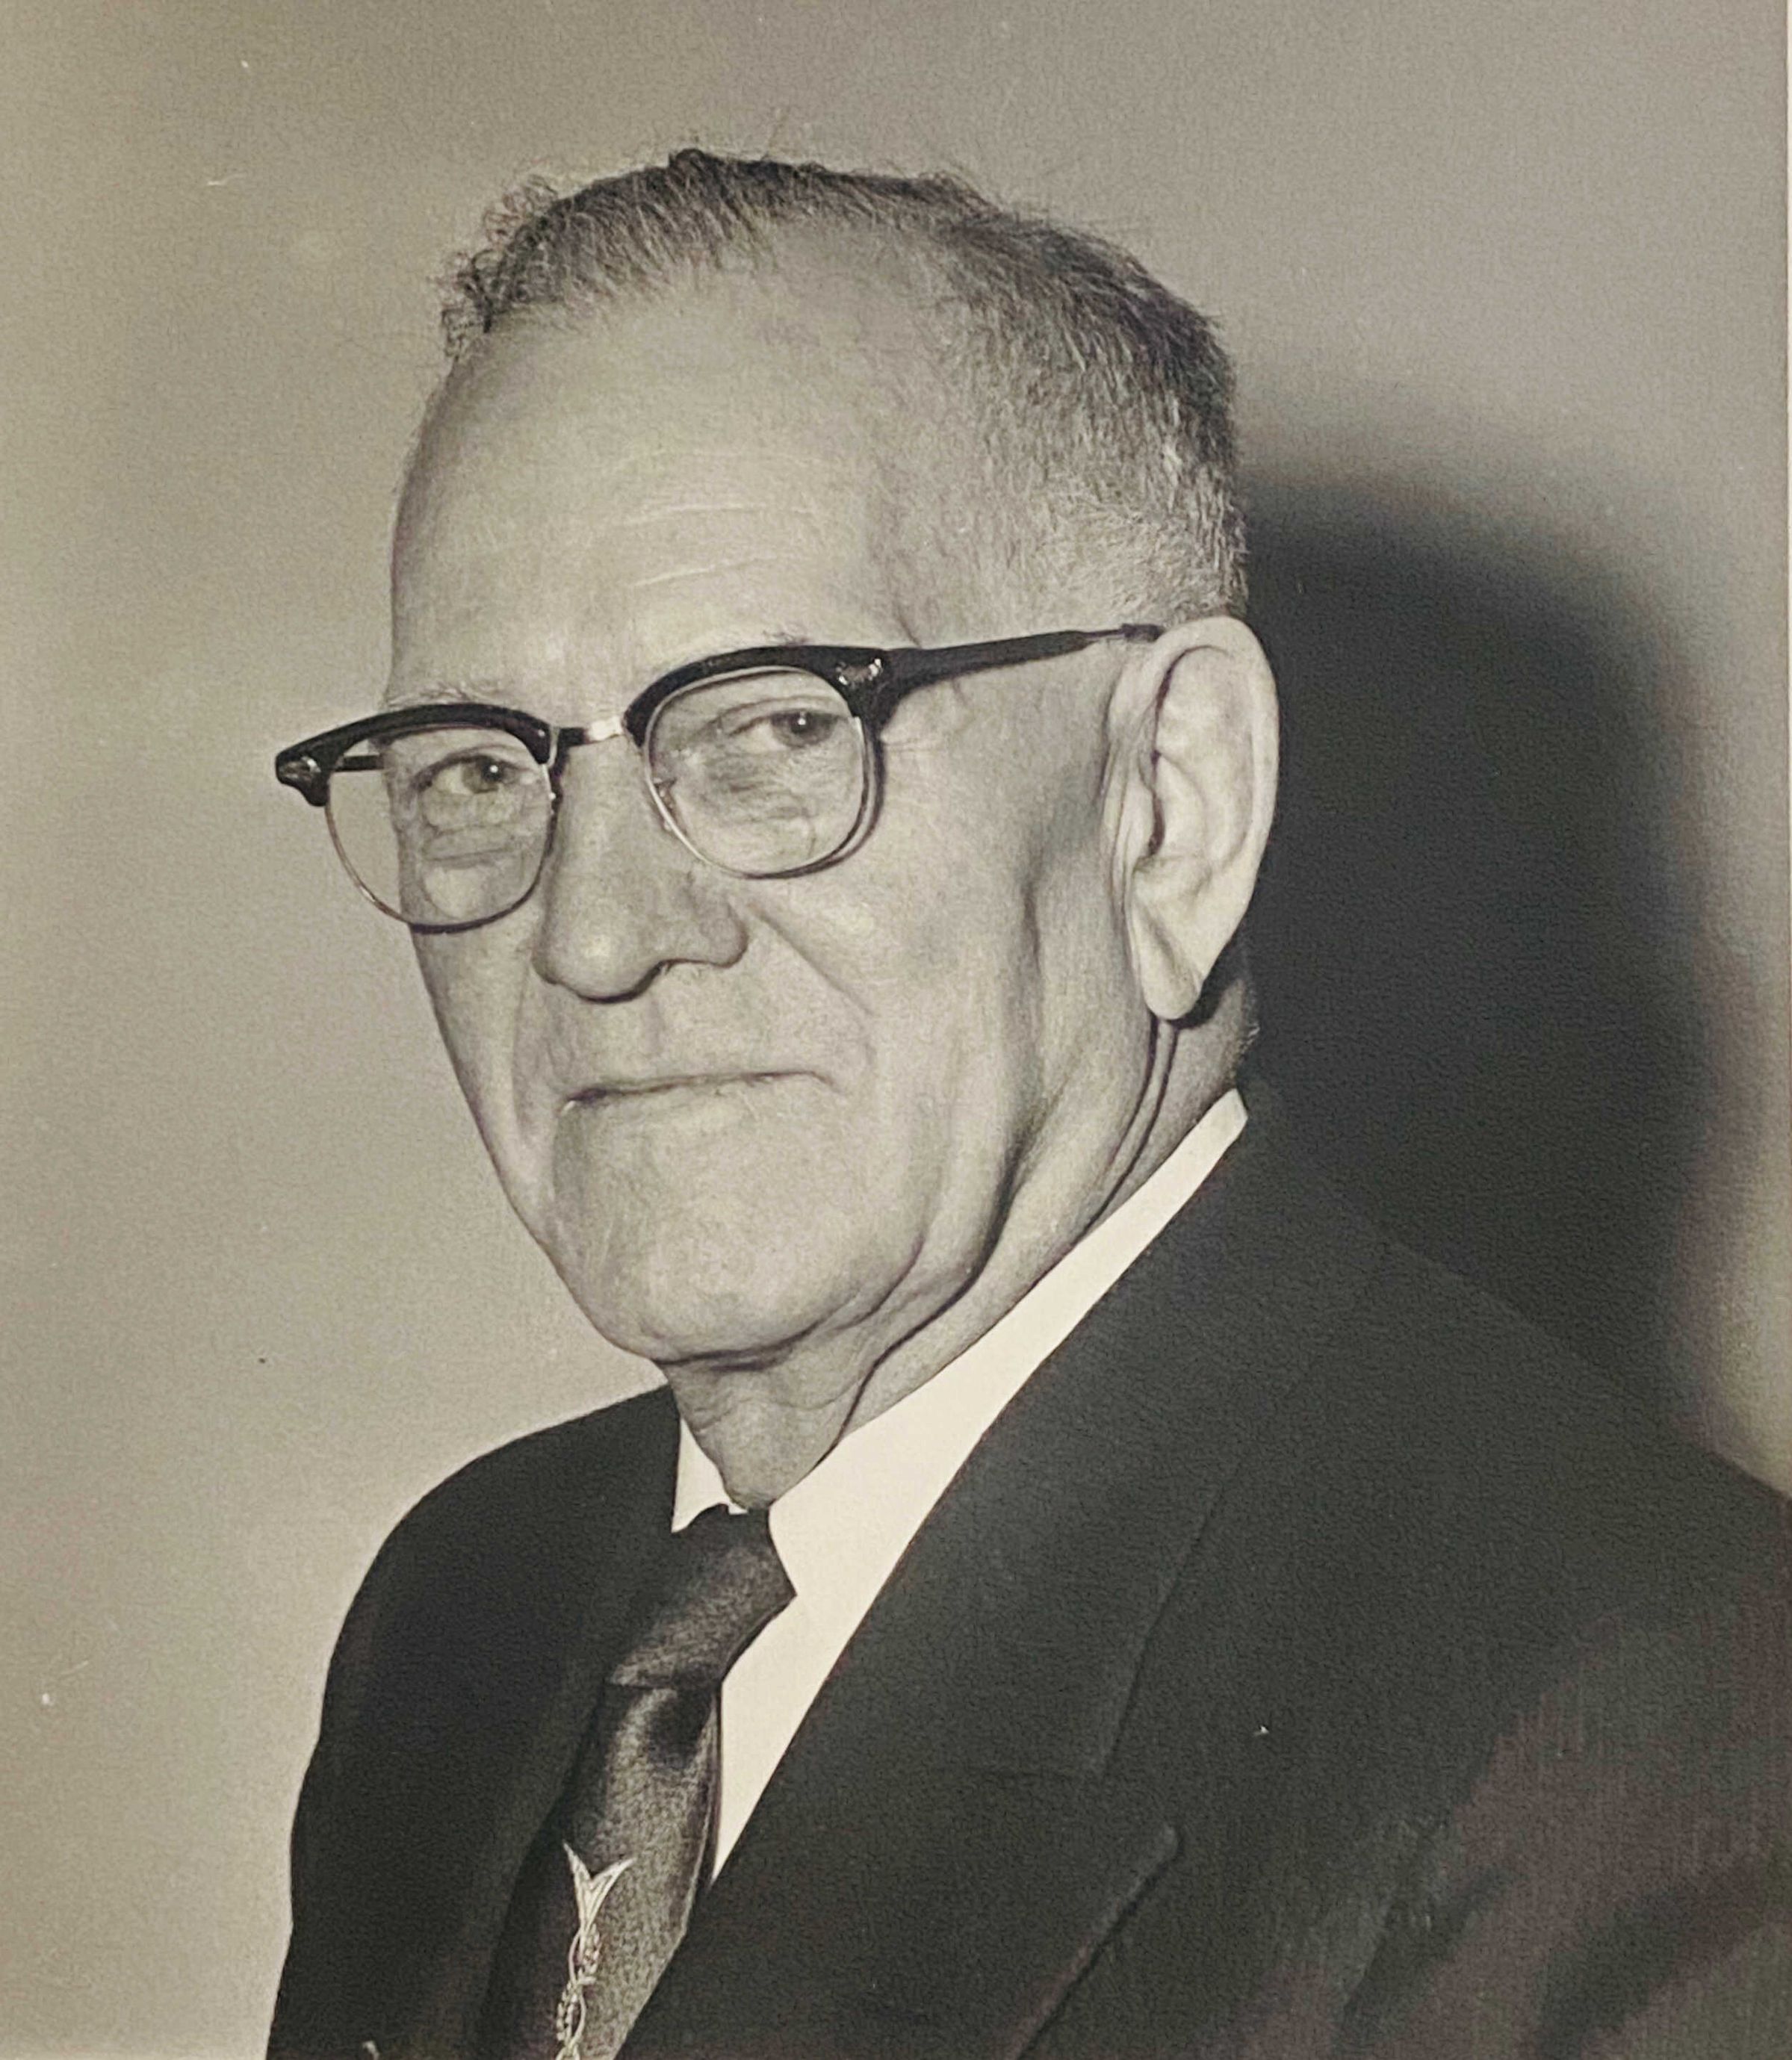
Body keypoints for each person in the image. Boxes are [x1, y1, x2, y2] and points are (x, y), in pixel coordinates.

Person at [267, 152, 1790, 2060]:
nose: (591, 933)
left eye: (773, 726)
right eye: (479, 769)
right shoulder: (470, 1604)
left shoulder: (1665, 1727)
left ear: (1170, 806)